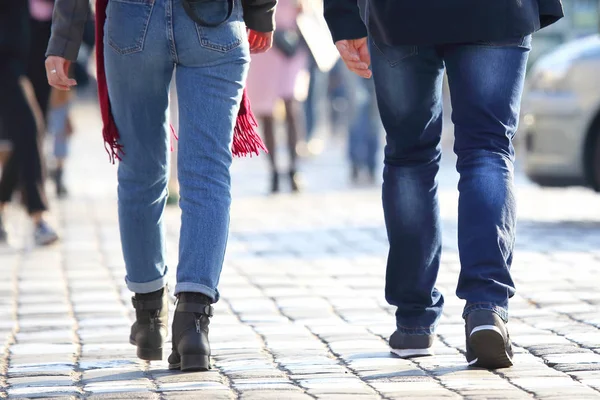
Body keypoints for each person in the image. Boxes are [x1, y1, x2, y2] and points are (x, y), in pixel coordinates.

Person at [323, 0, 563, 368]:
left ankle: (414, 320)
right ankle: (486, 308)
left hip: (399, 13)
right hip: (496, 10)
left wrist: (343, 15)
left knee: (409, 157)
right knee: (487, 149)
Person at [46, 0, 275, 371]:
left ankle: (149, 315)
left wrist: (64, 39)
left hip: (134, 20)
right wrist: (261, 10)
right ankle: (193, 322)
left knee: (140, 169)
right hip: (212, 18)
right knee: (207, 173)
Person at [0, 0, 59, 247]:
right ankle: (38, 216)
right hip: (6, 59)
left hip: (39, 51)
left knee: (30, 135)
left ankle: (3, 202)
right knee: (29, 127)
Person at [246, 0, 308, 193]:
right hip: (263, 41)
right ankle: (273, 171)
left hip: (291, 41)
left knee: (291, 107)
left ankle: (293, 170)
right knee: (267, 112)